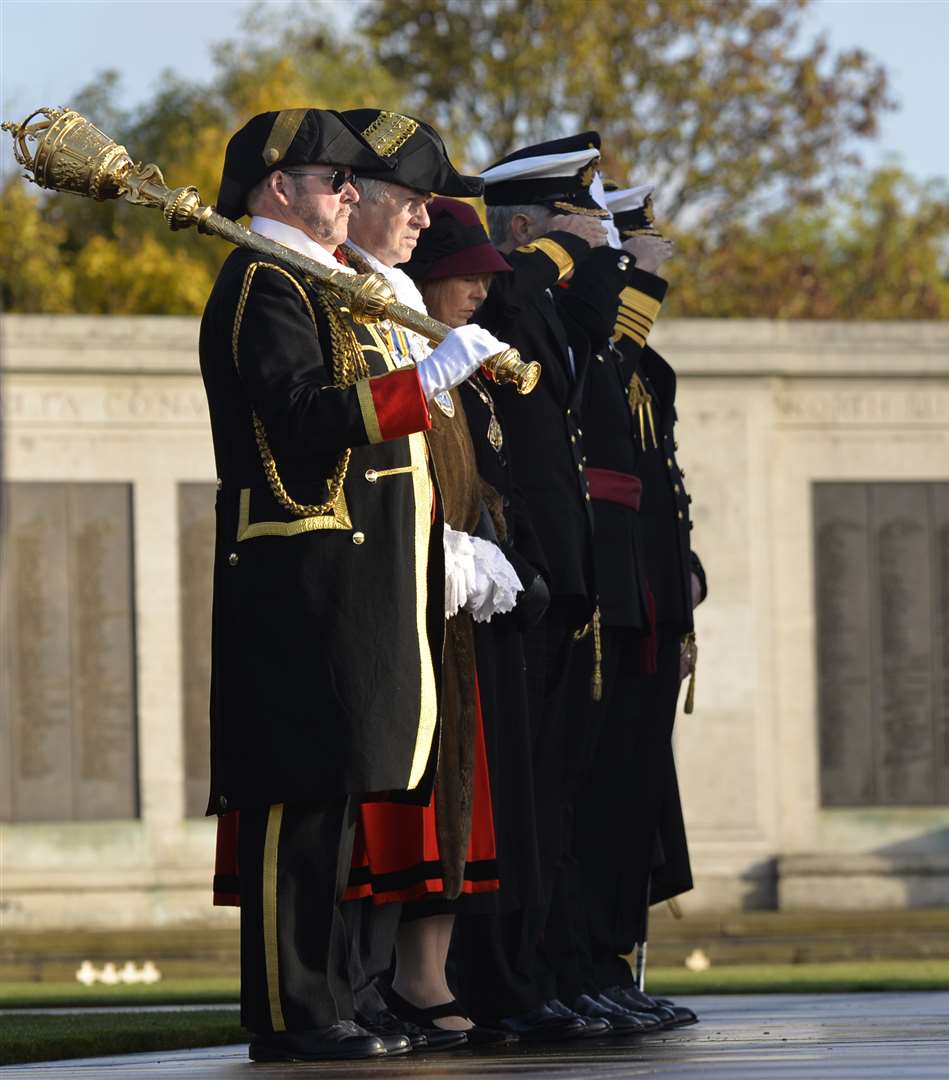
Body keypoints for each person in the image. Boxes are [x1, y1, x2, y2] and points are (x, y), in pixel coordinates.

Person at [199, 107, 508, 1063]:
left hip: (359, 568)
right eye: (333, 180)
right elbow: (298, 417)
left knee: (339, 797)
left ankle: (335, 997)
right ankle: (293, 1014)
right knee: (298, 796)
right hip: (299, 565)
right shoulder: (261, 279)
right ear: (278, 186)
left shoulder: (327, 284)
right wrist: (426, 384)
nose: (348, 194)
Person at [451, 132, 660, 1036]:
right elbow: (496, 313)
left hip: (568, 582)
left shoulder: (562, 326)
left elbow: (610, 338)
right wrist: (550, 253)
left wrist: (606, 261)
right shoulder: (501, 306)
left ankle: (551, 972)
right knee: (527, 798)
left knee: (562, 797)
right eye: (582, 228)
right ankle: (507, 982)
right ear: (530, 228)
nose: (600, 253)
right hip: (525, 583)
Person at [332, 109, 521, 1052]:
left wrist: (475, 536)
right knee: (382, 797)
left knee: (445, 790)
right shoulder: (337, 295)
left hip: (433, 587)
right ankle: (370, 982)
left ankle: (414, 977)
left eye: (419, 206)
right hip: (376, 581)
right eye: (403, 201)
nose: (414, 220)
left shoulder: (394, 297)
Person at [573, 179, 705, 1026]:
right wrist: (634, 291)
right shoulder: (601, 356)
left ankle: (611, 959)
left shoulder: (642, 366)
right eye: (634, 261)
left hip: (650, 601)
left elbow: (661, 487)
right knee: (598, 797)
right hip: (606, 603)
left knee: (633, 796)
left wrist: (686, 572)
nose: (650, 275)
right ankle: (582, 961)